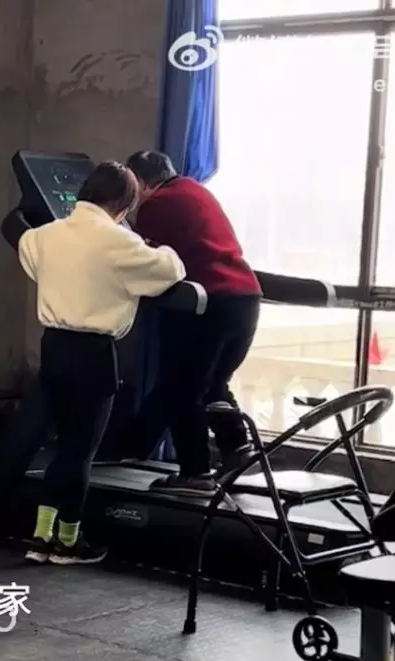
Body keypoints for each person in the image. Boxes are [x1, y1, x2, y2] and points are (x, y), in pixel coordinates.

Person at [18, 162, 185, 565]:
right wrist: (160, 248)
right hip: (92, 353)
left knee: (61, 447)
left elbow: (25, 247)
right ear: (124, 206)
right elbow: (170, 270)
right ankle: (68, 541)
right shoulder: (119, 242)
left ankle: (40, 537)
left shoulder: (46, 235)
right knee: (81, 450)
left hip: (53, 347)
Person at [121, 151, 262, 498]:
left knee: (182, 389)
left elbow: (142, 257)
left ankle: (195, 472)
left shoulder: (158, 204)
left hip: (207, 304)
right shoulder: (196, 191)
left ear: (141, 183)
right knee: (213, 382)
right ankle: (237, 449)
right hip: (245, 300)